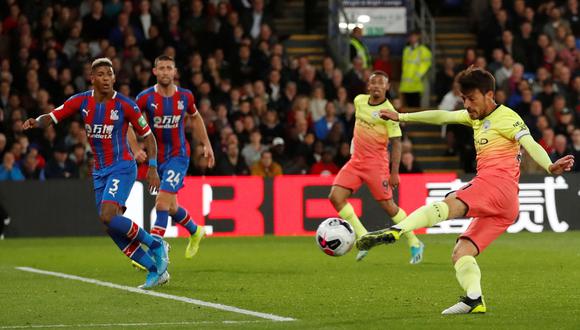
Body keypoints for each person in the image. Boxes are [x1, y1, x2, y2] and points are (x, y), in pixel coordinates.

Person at [360, 67, 574, 314]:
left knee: (451, 201)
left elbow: (530, 143)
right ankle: (474, 299)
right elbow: (442, 116)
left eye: (471, 98)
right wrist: (403, 117)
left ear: (489, 95)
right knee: (462, 252)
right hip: (506, 205)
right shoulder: (475, 116)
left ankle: (398, 230)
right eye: (464, 99)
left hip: (497, 185)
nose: (467, 104)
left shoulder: (508, 118)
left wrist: (549, 165)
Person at [22, 58, 169, 290]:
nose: (107, 78)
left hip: (122, 166)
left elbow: (149, 136)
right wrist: (35, 122)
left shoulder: (125, 105)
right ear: (92, 78)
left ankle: (156, 245)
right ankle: (154, 270)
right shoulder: (80, 101)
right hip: (100, 171)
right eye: (101, 74)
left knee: (109, 215)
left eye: (110, 74)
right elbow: (51, 116)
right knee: (109, 225)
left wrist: (152, 167)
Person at [328, 71, 424, 263]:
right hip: (356, 161)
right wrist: (355, 145)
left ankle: (415, 242)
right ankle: (364, 238)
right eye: (373, 83)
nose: (377, 86)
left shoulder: (389, 112)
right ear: (368, 86)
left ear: (387, 87)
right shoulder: (359, 101)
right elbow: (358, 125)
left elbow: (396, 142)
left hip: (376, 165)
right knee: (335, 197)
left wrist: (394, 172)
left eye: (381, 83)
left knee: (389, 207)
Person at [134, 55, 214, 261]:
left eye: (169, 68)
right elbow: (128, 123)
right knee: (171, 207)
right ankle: (196, 231)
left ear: (175, 72)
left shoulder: (185, 97)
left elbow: (195, 118)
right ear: (155, 72)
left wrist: (207, 144)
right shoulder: (145, 98)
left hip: (179, 156)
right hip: (157, 159)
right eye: (161, 68)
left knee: (161, 204)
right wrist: (134, 148)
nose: (165, 72)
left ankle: (154, 252)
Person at [399, 30, 432, 107]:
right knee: (408, 109)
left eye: (414, 36)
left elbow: (426, 64)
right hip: (406, 85)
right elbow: (404, 66)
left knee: (417, 107)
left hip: (418, 84)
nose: (412, 38)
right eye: (410, 36)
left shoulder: (423, 50)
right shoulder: (406, 50)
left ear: (418, 37)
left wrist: (418, 76)